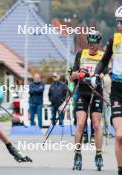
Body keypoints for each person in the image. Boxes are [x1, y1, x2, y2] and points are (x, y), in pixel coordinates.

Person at [91, 6, 122, 174]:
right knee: (119, 135)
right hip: (118, 89)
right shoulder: (114, 39)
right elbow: (103, 61)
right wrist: (96, 74)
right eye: (118, 21)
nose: (119, 25)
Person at [70, 31, 104, 170]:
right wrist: (79, 74)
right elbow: (71, 75)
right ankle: (77, 155)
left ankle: (99, 154)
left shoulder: (103, 56)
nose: (91, 46)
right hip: (82, 92)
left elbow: (105, 74)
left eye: (94, 43)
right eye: (89, 42)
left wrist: (97, 76)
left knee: (96, 125)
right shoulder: (80, 54)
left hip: (96, 92)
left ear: (98, 43)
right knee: (80, 123)